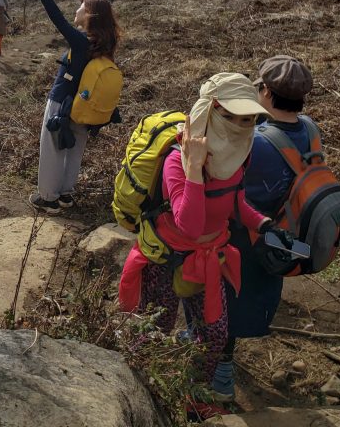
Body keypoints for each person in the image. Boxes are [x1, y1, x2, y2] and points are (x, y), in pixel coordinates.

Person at [117, 73, 288, 418]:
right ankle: (141, 395)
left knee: (214, 334)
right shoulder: (176, 160)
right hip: (166, 258)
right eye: (235, 117)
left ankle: (193, 396)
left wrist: (265, 224)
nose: (244, 127)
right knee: (153, 331)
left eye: (250, 119)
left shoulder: (238, 156)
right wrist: (194, 167)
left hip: (208, 260)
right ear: (210, 111)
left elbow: (237, 202)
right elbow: (189, 224)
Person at [215, 56, 316, 403]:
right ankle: (225, 356)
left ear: (268, 93)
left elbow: (227, 190)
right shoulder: (310, 130)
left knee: (223, 301)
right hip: (280, 235)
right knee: (252, 297)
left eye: (259, 87)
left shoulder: (255, 141)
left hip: (243, 235)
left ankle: (220, 378)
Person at [27, 0, 120, 214]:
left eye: (81, 6)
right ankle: (66, 194)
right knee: (75, 150)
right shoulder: (103, 46)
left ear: (89, 16)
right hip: (84, 106)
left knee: (53, 149)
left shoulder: (81, 41)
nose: (77, 9)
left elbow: (57, 19)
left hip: (61, 103)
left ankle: (48, 198)